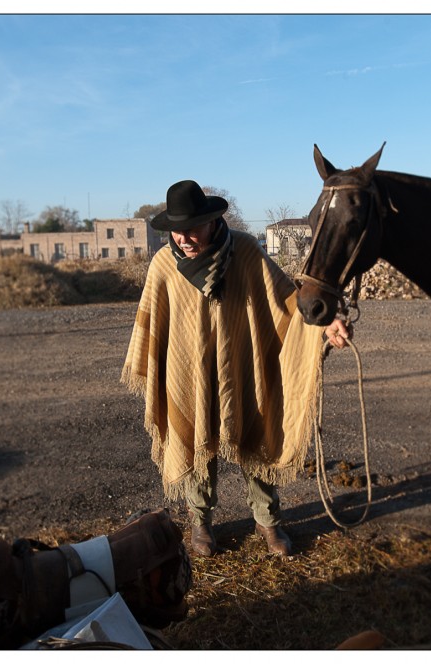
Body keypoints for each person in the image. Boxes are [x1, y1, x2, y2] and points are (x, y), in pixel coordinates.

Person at [122, 180, 349, 558]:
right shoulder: (163, 264)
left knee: (255, 433)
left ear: (212, 221)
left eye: (193, 228)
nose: (184, 238)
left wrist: (325, 323)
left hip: (242, 364)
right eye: (177, 231)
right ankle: (201, 522)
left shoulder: (243, 250)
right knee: (194, 440)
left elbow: (287, 300)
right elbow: (153, 324)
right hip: (190, 374)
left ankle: (267, 519)